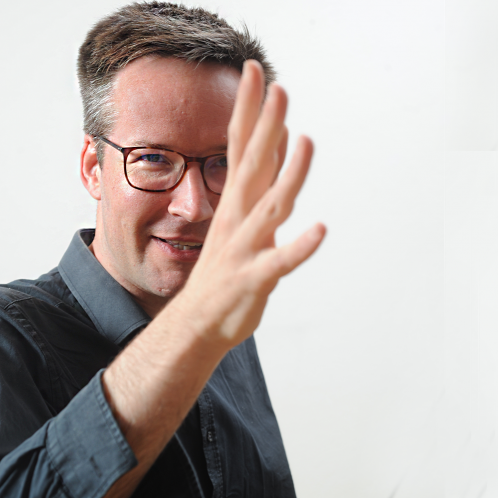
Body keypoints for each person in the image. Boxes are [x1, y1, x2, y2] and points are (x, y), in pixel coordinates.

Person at [0, 2, 325, 497]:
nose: (194, 207)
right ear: (92, 168)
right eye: (152, 158)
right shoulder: (11, 339)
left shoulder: (229, 330)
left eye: (223, 161)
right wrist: (193, 327)